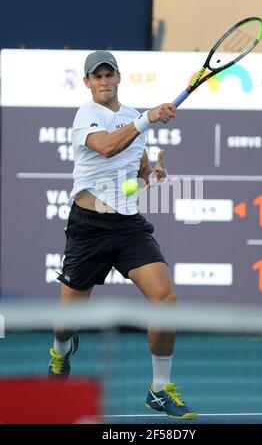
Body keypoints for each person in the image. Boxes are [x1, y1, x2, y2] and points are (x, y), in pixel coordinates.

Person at [48, 50, 197, 420]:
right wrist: (149, 118)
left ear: (117, 78)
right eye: (95, 76)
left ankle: (160, 390)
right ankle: (59, 352)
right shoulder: (87, 116)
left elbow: (139, 174)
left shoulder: (132, 118)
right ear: (87, 83)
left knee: (166, 300)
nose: (102, 81)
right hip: (88, 227)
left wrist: (154, 176)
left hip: (128, 226)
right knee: (66, 323)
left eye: (108, 75)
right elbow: (107, 146)